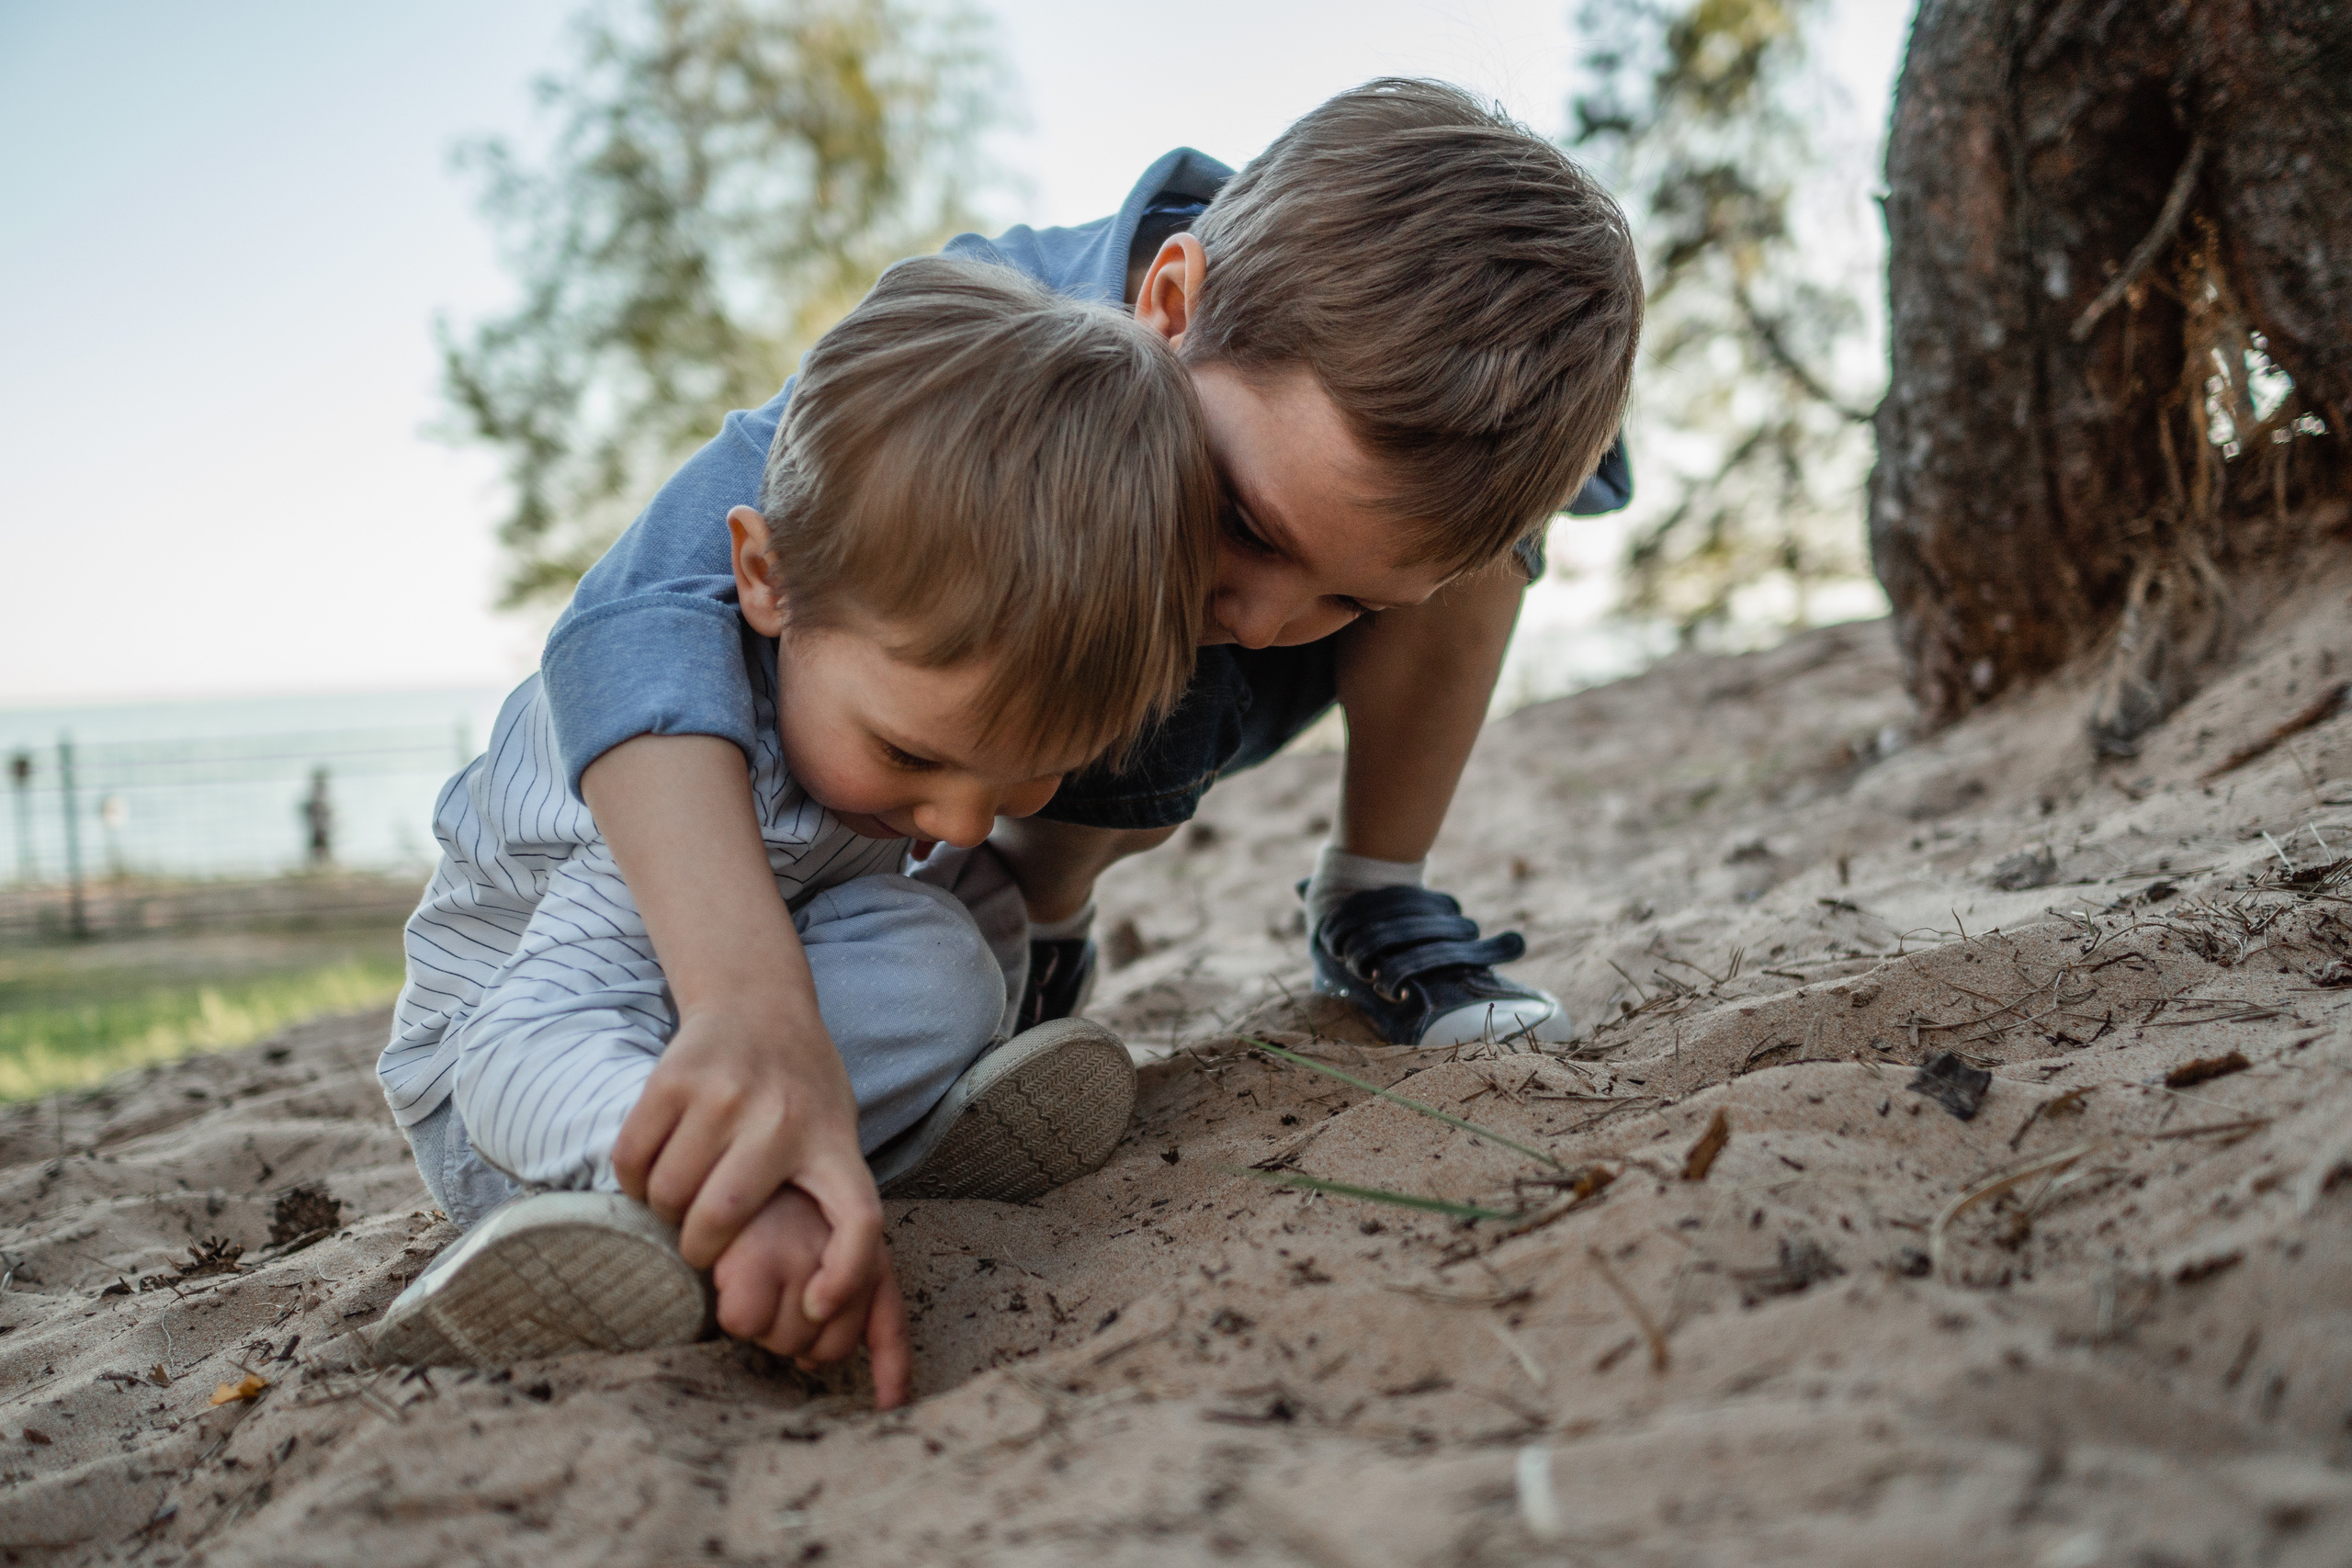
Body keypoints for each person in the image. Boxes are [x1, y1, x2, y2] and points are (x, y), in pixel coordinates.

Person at [369, 258, 1216, 1403]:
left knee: (950, 959)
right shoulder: (698, 768)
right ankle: (652, 1210)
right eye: (911, 755)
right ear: (768, 579)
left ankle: (875, 1149)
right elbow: (516, 1054)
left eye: (1033, 769)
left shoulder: (863, 711)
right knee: (931, 957)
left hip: (734, 996)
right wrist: (744, 1191)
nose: (963, 816)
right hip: (513, 1092)